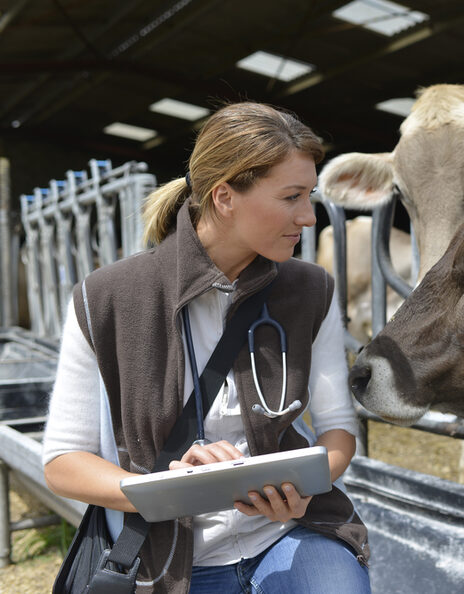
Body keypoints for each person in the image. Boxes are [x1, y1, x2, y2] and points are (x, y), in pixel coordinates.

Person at [43, 101, 370, 593]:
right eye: (291, 196)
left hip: (285, 534)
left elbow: (338, 429)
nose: (308, 216)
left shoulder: (310, 290)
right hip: (163, 555)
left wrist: (305, 487)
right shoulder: (105, 297)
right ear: (224, 197)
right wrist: (167, 490)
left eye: (311, 196)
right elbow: (63, 462)